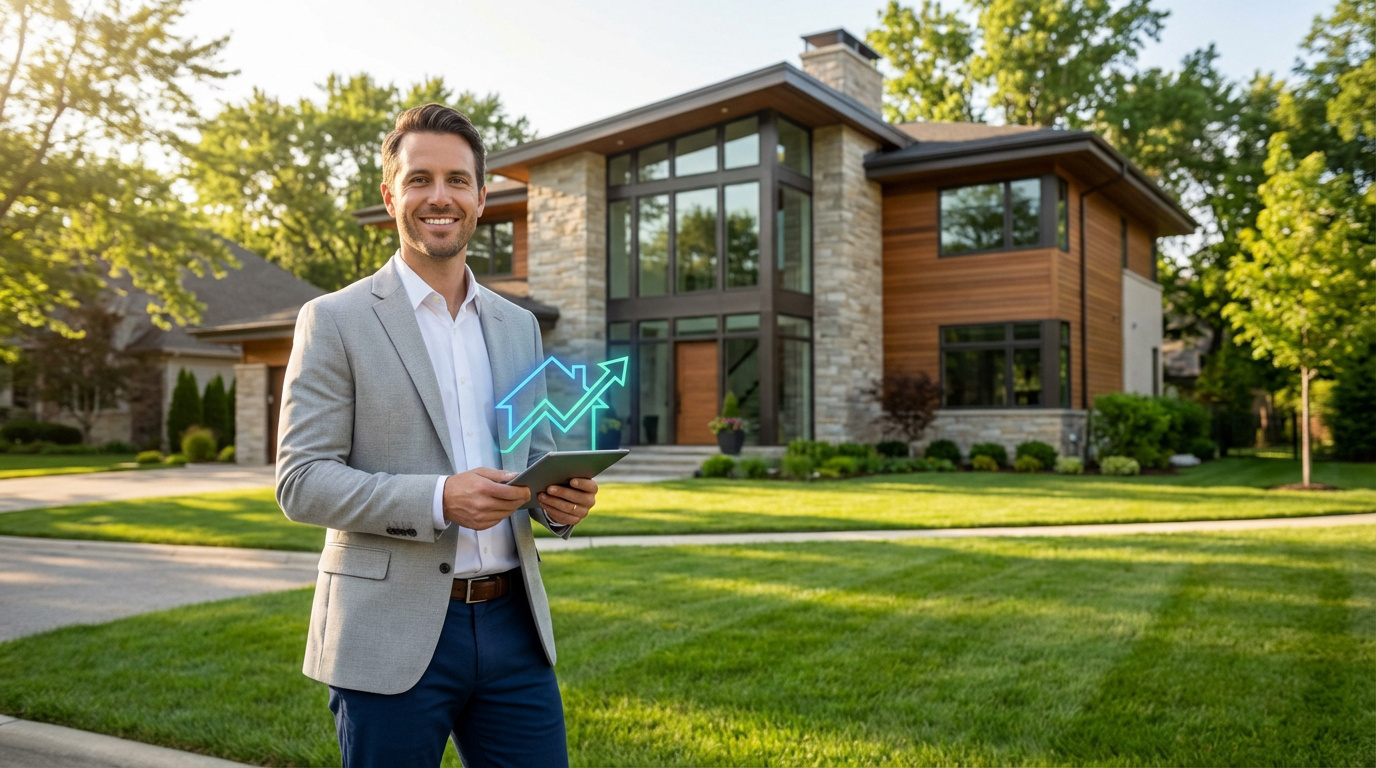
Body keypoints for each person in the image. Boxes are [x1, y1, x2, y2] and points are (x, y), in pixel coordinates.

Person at [275, 103, 598, 768]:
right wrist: (437, 500)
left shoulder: (517, 326)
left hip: (515, 630)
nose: (439, 197)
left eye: (457, 180)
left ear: (482, 197)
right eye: (419, 179)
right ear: (391, 194)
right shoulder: (333, 320)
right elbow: (301, 482)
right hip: (386, 630)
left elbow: (531, 458)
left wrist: (555, 501)